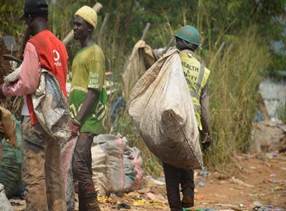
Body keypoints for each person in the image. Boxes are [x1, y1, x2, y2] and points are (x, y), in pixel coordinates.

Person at [0, 0, 69, 210]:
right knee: (55, 174)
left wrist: (7, 89)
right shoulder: (59, 45)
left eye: (27, 21)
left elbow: (29, 82)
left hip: (35, 117)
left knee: (35, 177)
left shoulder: (34, 44)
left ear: (30, 19)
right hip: (55, 120)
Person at [162, 25, 212, 211]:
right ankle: (189, 192)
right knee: (187, 157)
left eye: (177, 40)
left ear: (181, 43)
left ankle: (175, 206)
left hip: (171, 121)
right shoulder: (203, 71)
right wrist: (208, 132)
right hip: (193, 122)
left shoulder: (170, 61)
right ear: (195, 47)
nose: (174, 43)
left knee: (170, 165)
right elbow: (205, 107)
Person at [69, 6, 107, 211]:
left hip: (88, 117)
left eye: (79, 25)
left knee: (79, 164)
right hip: (79, 115)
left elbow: (93, 90)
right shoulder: (80, 53)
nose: (74, 28)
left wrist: (77, 120)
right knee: (84, 164)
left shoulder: (95, 53)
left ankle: (92, 207)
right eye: (74, 24)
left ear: (89, 28)